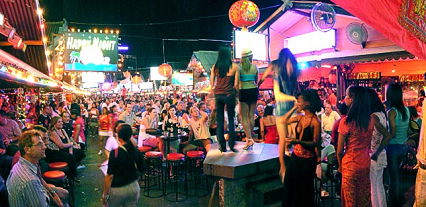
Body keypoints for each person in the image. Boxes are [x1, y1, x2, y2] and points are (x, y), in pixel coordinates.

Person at [258, 48, 300, 181]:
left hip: (292, 110)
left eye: (292, 65)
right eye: (289, 64)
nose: (291, 67)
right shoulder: (278, 75)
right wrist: (294, 99)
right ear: (284, 62)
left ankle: (291, 157)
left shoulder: (292, 77)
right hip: (282, 111)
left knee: (295, 134)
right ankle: (283, 168)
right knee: (282, 139)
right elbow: (278, 95)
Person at [281, 89, 321, 207]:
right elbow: (284, 120)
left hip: (308, 161)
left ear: (307, 103)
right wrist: (294, 108)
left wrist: (297, 141)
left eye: (299, 101)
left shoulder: (315, 122)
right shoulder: (299, 117)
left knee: (304, 189)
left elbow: (315, 143)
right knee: (290, 183)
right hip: (296, 157)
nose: (297, 103)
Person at [337, 86, 373, 207]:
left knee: (350, 200)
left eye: (347, 95)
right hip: (365, 163)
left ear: (352, 99)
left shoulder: (346, 122)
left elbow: (339, 151)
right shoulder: (369, 121)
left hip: (350, 165)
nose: (345, 98)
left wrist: (340, 166)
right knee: (364, 198)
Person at [6, 130, 56, 206]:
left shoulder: (21, 165)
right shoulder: (29, 180)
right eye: (39, 144)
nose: (44, 147)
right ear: (27, 150)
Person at [103, 124, 143, 206]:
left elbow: (110, 176)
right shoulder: (136, 151)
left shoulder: (115, 153)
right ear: (130, 135)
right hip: (133, 187)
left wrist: (105, 194)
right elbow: (141, 170)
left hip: (117, 189)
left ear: (118, 137)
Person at [209, 45, 239, 152]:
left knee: (220, 120)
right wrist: (237, 95)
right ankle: (231, 144)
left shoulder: (215, 67)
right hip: (229, 95)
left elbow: (212, 83)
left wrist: (214, 95)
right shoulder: (235, 67)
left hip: (218, 95)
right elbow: (236, 85)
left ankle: (222, 146)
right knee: (231, 120)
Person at [386, 83, 410, 207]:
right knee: (396, 176)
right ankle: (399, 198)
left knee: (393, 178)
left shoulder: (391, 112)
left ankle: (394, 203)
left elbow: (392, 134)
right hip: (403, 146)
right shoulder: (405, 109)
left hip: (393, 147)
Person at [368, 88, 392, 207]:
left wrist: (376, 152)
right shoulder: (382, 114)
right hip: (380, 153)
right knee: (379, 185)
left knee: (375, 186)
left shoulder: (373, 116)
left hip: (375, 154)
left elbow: (387, 136)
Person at [48, 116, 85, 181]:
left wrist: (71, 151)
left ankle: (71, 170)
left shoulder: (63, 130)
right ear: (54, 124)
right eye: (59, 122)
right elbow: (61, 145)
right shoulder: (53, 132)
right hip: (56, 152)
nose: (61, 123)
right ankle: (72, 176)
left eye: (61, 121)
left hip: (64, 149)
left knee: (80, 153)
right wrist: (71, 145)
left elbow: (69, 141)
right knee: (71, 158)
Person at [238, 48, 259, 150]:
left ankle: (249, 139)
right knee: (251, 116)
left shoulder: (239, 68)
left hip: (244, 91)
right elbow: (256, 80)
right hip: (254, 90)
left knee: (243, 117)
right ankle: (249, 139)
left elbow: (237, 82)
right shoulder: (255, 67)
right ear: (251, 56)